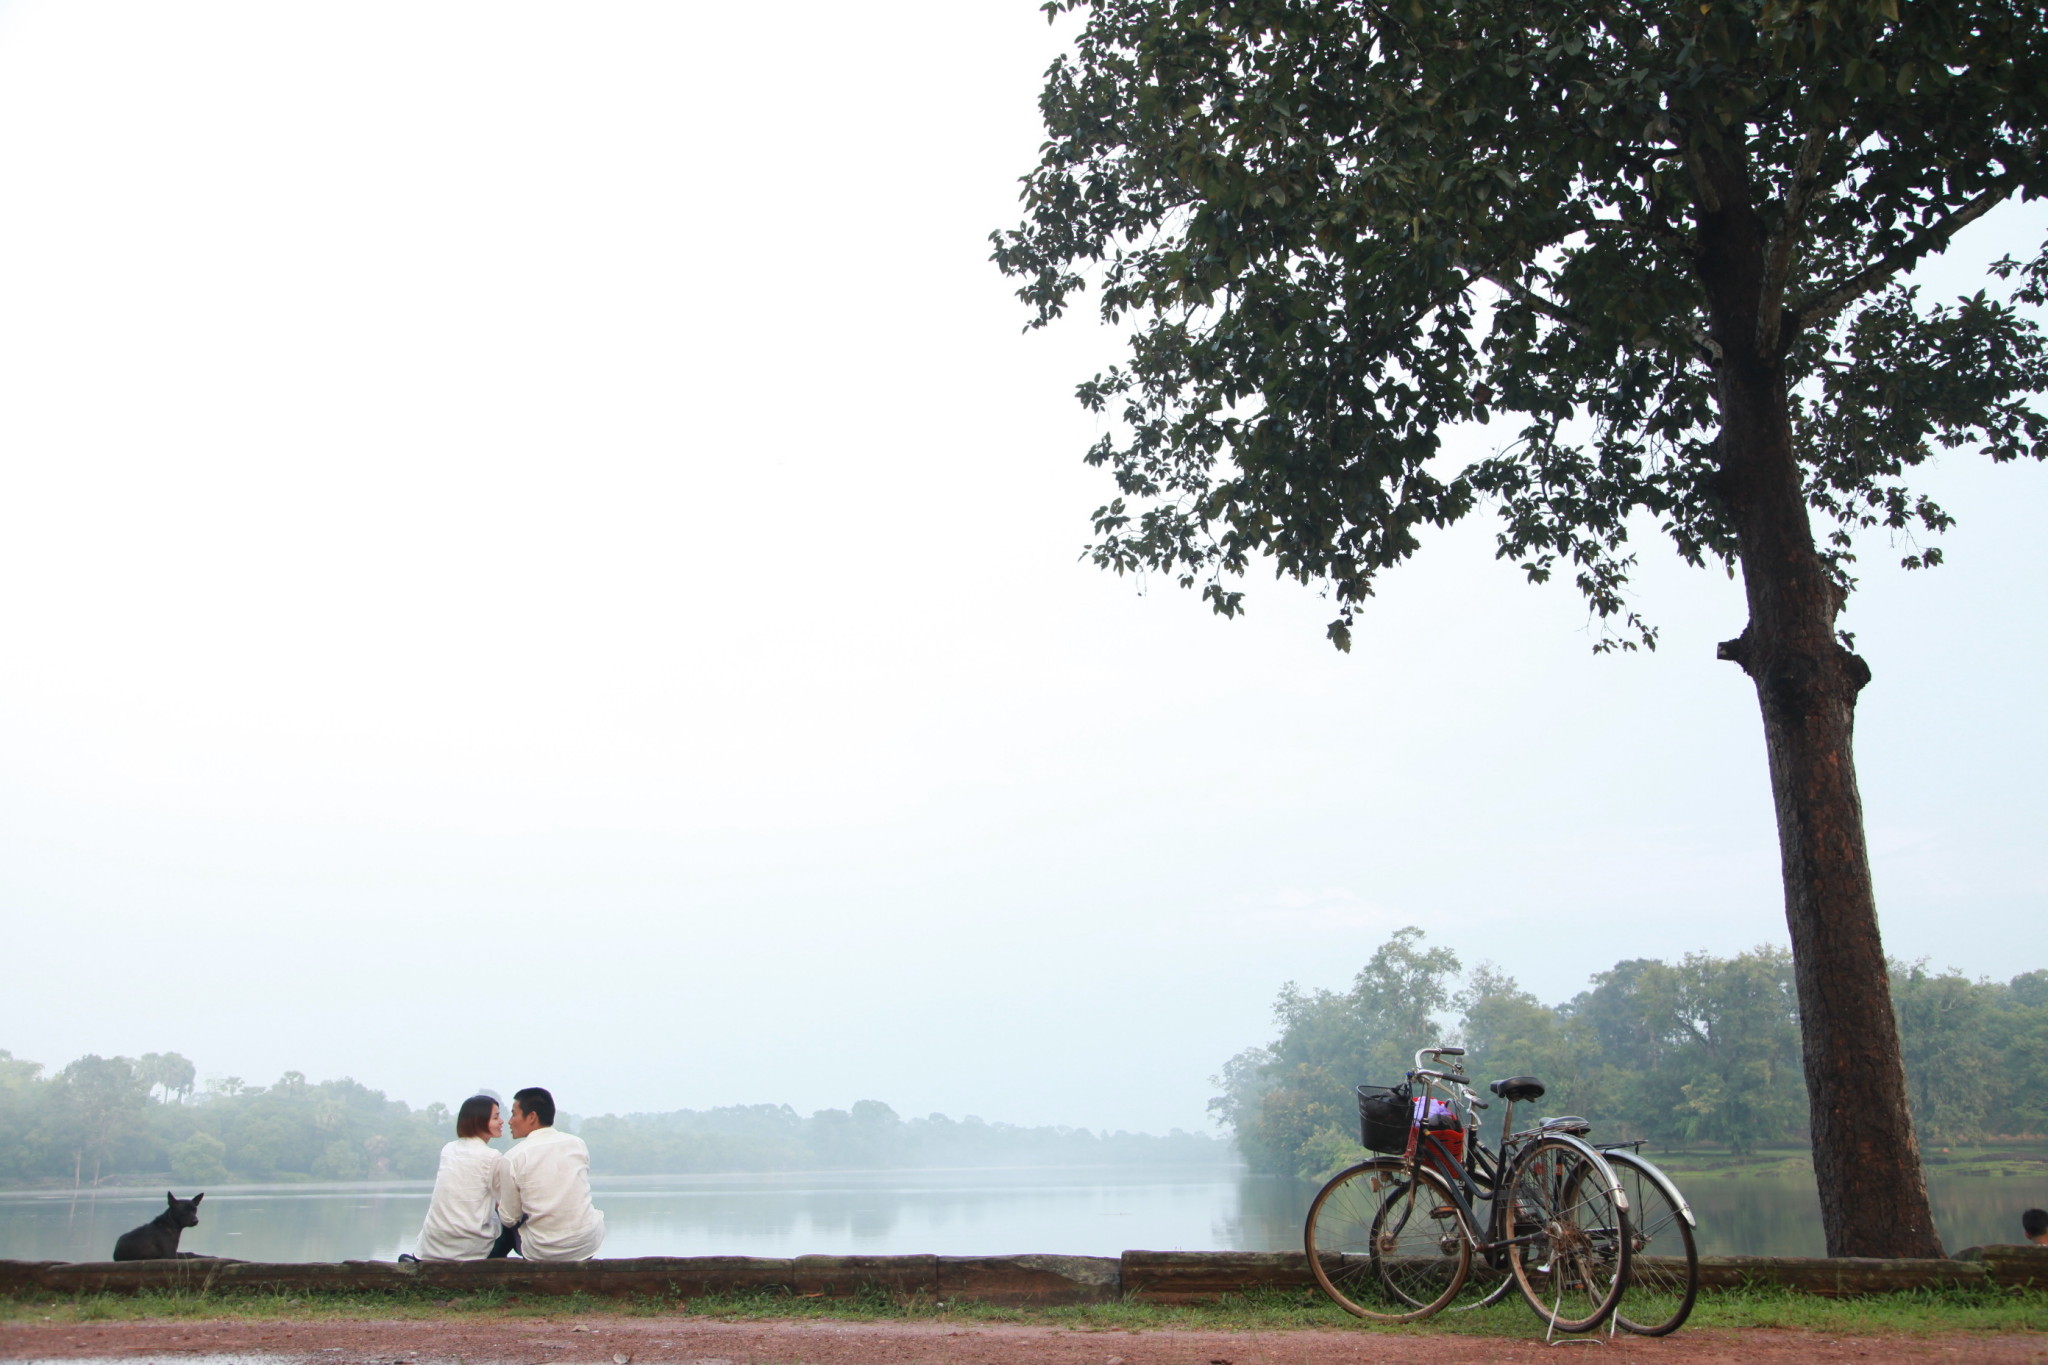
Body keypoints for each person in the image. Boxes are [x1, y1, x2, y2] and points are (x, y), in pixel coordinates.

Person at [497, 1086, 606, 1261]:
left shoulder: (513, 1157)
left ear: (531, 1116)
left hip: (542, 1252)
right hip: (585, 1244)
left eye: (514, 1114)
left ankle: (486, 1267)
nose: (510, 1121)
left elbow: (509, 1219)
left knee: (502, 1216)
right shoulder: (577, 1144)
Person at [410, 1095, 511, 1261]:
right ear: (479, 1120)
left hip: (432, 1244)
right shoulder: (492, 1157)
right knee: (510, 1224)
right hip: (470, 1247)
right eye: (496, 1117)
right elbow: (504, 1203)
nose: (501, 1121)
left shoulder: (448, 1149)